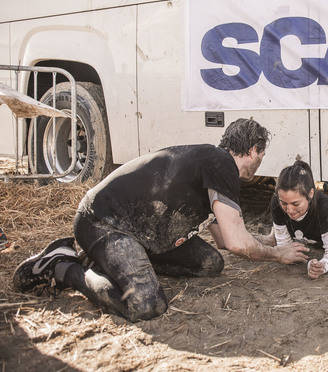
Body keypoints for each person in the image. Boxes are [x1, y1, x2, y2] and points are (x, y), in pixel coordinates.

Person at [12, 118, 309, 322]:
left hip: (142, 232)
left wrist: (263, 242)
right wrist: (276, 254)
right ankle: (63, 268)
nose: (260, 162)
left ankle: (104, 263)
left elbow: (223, 240)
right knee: (146, 304)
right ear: (255, 149)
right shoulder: (222, 163)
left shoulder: (211, 162)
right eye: (262, 154)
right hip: (103, 222)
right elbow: (235, 242)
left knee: (211, 263)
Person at [267, 160, 328, 279]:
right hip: (307, 233)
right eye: (284, 203)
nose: (290, 210)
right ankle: (274, 235)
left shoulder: (324, 207)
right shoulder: (276, 202)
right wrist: (285, 253)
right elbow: (285, 246)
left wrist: (322, 266)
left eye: (295, 204)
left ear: (310, 194)